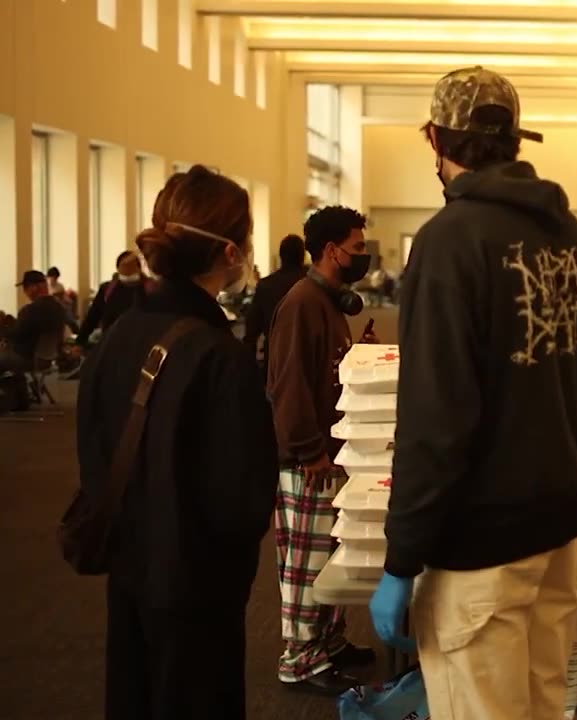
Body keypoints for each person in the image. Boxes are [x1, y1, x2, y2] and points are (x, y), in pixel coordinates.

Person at [367, 66, 577, 720]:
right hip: (560, 535)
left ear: (434, 137)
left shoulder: (449, 242)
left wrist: (403, 557)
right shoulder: (576, 240)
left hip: (478, 551)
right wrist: (569, 478)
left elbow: (435, 418)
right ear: (516, 141)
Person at [75, 166, 278, 720]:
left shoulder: (120, 335)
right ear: (231, 252)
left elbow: (91, 444)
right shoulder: (219, 356)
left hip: (129, 567)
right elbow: (242, 499)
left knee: (134, 695)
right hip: (197, 584)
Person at [266, 206, 375, 695]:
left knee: (332, 559)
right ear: (332, 251)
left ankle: (328, 642)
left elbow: (325, 370)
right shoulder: (302, 302)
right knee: (307, 564)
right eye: (357, 247)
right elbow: (287, 386)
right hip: (308, 461)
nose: (364, 255)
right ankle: (300, 658)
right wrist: (309, 452)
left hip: (330, 457)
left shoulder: (329, 303)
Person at [241, 234, 307, 367]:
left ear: (281, 256)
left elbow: (252, 330)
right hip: (308, 356)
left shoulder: (266, 285)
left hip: (276, 358)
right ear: (303, 256)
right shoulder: (312, 283)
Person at [2, 270, 71, 372]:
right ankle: (18, 386)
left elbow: (17, 336)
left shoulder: (30, 310)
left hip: (28, 359)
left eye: (25, 288)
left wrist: (3, 328)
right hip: (48, 358)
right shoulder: (59, 307)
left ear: (34, 288)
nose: (24, 292)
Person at [78, 251, 150, 346]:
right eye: (125, 268)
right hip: (111, 344)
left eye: (130, 268)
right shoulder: (107, 289)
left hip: (141, 345)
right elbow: (93, 316)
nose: (128, 272)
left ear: (138, 269)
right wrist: (80, 341)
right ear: (118, 269)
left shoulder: (150, 289)